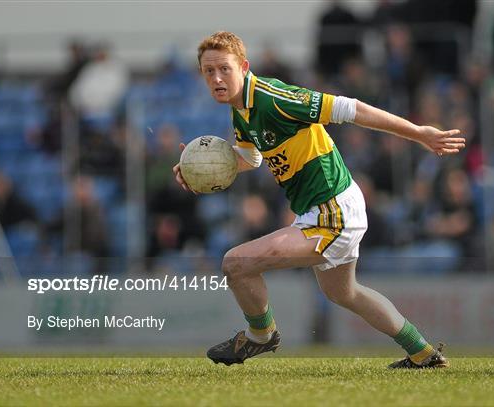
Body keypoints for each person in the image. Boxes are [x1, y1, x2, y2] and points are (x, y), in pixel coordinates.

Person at [173, 32, 466, 368]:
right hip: (326, 208)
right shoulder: (241, 110)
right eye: (208, 71)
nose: (217, 78)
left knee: (235, 264)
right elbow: (250, 158)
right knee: (344, 293)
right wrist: (199, 170)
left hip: (332, 211)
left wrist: (419, 133)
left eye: (224, 68)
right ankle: (423, 354)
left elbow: (350, 108)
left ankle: (261, 335)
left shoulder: (274, 98)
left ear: (243, 66)